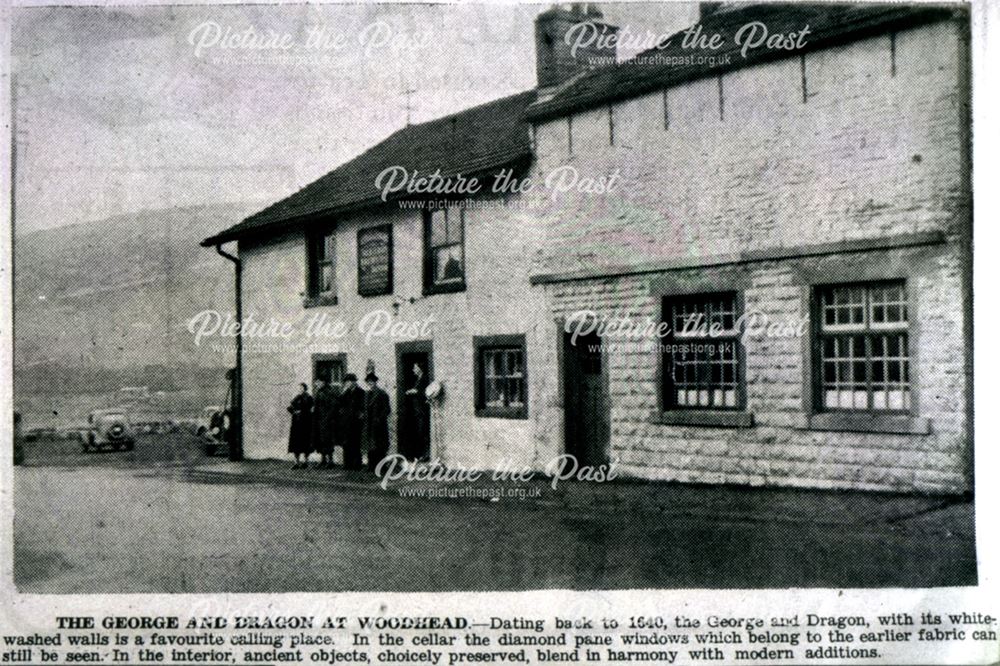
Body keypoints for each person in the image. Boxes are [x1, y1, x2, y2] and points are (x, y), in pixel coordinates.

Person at [364, 372, 391, 473]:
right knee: (370, 446)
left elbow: (387, 409)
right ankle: (371, 466)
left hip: (379, 425)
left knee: (380, 446)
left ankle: (382, 467)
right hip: (369, 424)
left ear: (376, 382)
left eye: (372, 382)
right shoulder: (366, 394)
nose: (370, 384)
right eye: (368, 382)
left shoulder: (382, 394)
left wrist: (379, 418)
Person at [403, 363, 430, 462]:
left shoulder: (425, 379)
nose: (413, 369)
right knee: (418, 433)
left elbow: (426, 392)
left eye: (415, 367)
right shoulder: (417, 380)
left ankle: (425, 455)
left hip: (422, 411)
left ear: (420, 368)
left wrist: (415, 391)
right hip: (417, 411)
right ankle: (418, 455)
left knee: (423, 432)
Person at [339, 373, 366, 471]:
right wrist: (342, 393)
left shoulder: (360, 392)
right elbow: (340, 403)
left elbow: (363, 406)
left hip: (355, 422)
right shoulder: (346, 393)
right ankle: (347, 464)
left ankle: (357, 464)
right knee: (346, 443)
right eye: (346, 382)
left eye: (349, 381)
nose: (347, 384)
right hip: (346, 422)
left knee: (355, 443)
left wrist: (361, 414)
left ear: (354, 382)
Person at [311, 377, 339, 469]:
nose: (317, 384)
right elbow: (316, 405)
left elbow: (333, 406)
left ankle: (330, 461)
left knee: (328, 440)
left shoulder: (330, 392)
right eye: (316, 383)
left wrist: (328, 418)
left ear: (323, 382)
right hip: (319, 420)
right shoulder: (318, 392)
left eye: (319, 382)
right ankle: (323, 460)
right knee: (320, 440)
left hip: (328, 420)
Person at [287, 383, 313, 469]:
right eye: (299, 388)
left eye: (302, 388)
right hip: (297, 423)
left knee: (305, 443)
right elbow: (290, 407)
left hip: (306, 423)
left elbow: (311, 410)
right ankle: (296, 462)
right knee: (296, 443)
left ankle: (306, 462)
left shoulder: (309, 398)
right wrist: (294, 412)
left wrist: (303, 412)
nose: (300, 389)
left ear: (305, 389)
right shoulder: (297, 397)